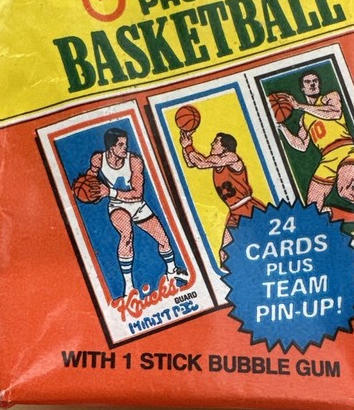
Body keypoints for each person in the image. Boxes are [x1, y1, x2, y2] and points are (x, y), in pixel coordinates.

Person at [74, 127, 188, 296]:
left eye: (126, 144)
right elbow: (90, 178)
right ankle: (129, 287)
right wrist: (85, 190)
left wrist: (109, 192)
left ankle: (171, 271)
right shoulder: (98, 159)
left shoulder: (134, 161)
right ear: (111, 147)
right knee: (126, 234)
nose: (125, 147)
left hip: (137, 204)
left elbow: (137, 193)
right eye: (121, 145)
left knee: (163, 239)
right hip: (117, 206)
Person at [276, 71, 354, 225]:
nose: (312, 84)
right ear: (303, 88)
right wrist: (282, 128)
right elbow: (301, 145)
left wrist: (300, 106)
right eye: (307, 82)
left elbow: (334, 113)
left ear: (319, 84)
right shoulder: (304, 119)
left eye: (315, 81)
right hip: (327, 159)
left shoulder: (330, 97)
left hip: (345, 150)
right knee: (312, 209)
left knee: (344, 190)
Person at [180, 129, 266, 266]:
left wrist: (189, 147)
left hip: (249, 209)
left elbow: (201, 163)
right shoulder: (216, 162)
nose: (212, 144)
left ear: (225, 148)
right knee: (224, 253)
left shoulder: (231, 158)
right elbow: (192, 163)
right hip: (234, 212)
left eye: (216, 142)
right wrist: (185, 145)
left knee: (261, 245)